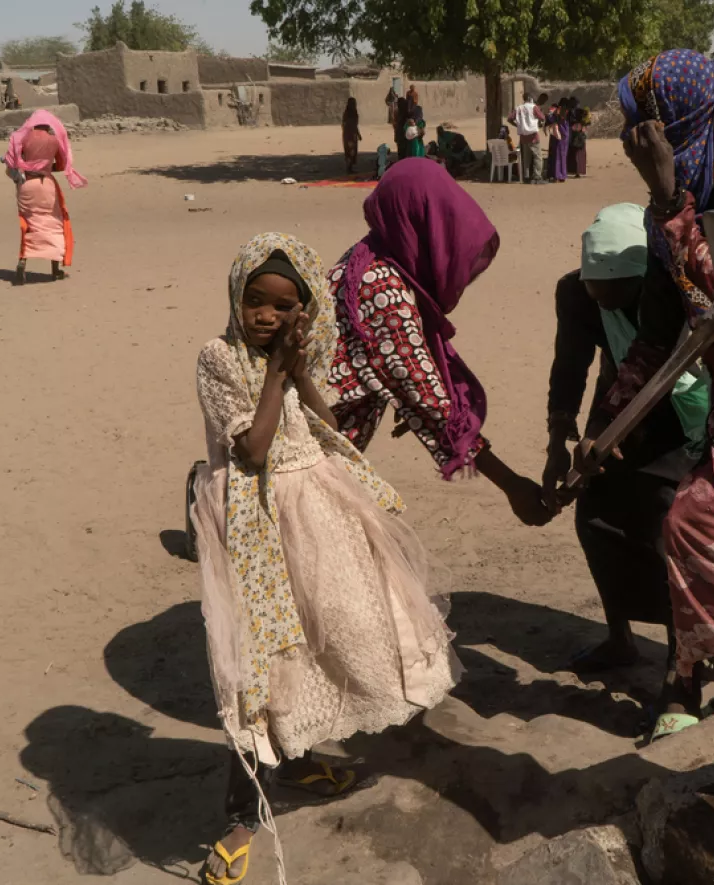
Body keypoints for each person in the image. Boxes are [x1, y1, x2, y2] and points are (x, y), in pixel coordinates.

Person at [191, 233, 459, 885]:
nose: (266, 316)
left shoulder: (290, 355)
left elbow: (325, 423)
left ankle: (301, 755)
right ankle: (241, 815)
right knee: (256, 667)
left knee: (328, 636)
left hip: (315, 513)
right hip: (255, 524)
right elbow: (253, 449)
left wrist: (300, 371)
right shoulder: (218, 357)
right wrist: (276, 373)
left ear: (302, 312)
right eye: (255, 300)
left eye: (283, 306)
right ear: (236, 296)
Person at [583, 49, 714, 740]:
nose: (636, 143)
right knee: (679, 520)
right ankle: (693, 675)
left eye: (648, 128)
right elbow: (657, 332)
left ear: (679, 124)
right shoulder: (669, 207)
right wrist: (607, 420)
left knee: (697, 521)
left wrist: (672, 199)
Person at [328, 158, 552, 526]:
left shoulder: (363, 258)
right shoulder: (382, 288)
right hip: (305, 462)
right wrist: (512, 486)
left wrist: (399, 393)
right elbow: (433, 407)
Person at [543, 203, 710, 673]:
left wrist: (606, 429)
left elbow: (661, 364)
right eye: (595, 289)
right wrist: (560, 444)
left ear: (642, 280)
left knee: (666, 524)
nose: (604, 302)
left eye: (616, 293)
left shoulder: (672, 295)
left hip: (684, 404)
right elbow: (570, 364)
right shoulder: (576, 294)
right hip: (617, 398)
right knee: (595, 516)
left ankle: (683, 657)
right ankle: (620, 638)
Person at [3, 110, 87, 286]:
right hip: (46, 185)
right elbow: (61, 165)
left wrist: (29, 166)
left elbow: (12, 163)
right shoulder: (54, 140)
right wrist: (45, 166)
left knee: (29, 225)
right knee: (54, 223)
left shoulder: (23, 139)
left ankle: (23, 261)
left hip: (27, 185)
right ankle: (55, 269)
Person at [508, 91, 546, 184]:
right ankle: (537, 177)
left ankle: (526, 176)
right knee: (538, 157)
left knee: (526, 158)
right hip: (534, 136)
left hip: (523, 137)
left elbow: (509, 119)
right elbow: (542, 118)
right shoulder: (534, 107)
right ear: (530, 98)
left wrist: (518, 125)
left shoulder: (518, 108)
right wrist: (539, 124)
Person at [568, 104, 590, 178]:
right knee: (581, 155)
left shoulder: (574, 123)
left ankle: (576, 171)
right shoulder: (583, 123)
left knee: (575, 155)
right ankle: (580, 171)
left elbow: (574, 129)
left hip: (575, 139)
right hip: (581, 139)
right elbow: (585, 130)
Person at [341, 97, 362, 173]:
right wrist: (357, 134)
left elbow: (344, 125)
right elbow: (353, 125)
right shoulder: (352, 113)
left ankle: (349, 167)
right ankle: (349, 168)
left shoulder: (347, 113)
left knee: (349, 151)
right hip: (351, 135)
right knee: (351, 152)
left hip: (347, 135)